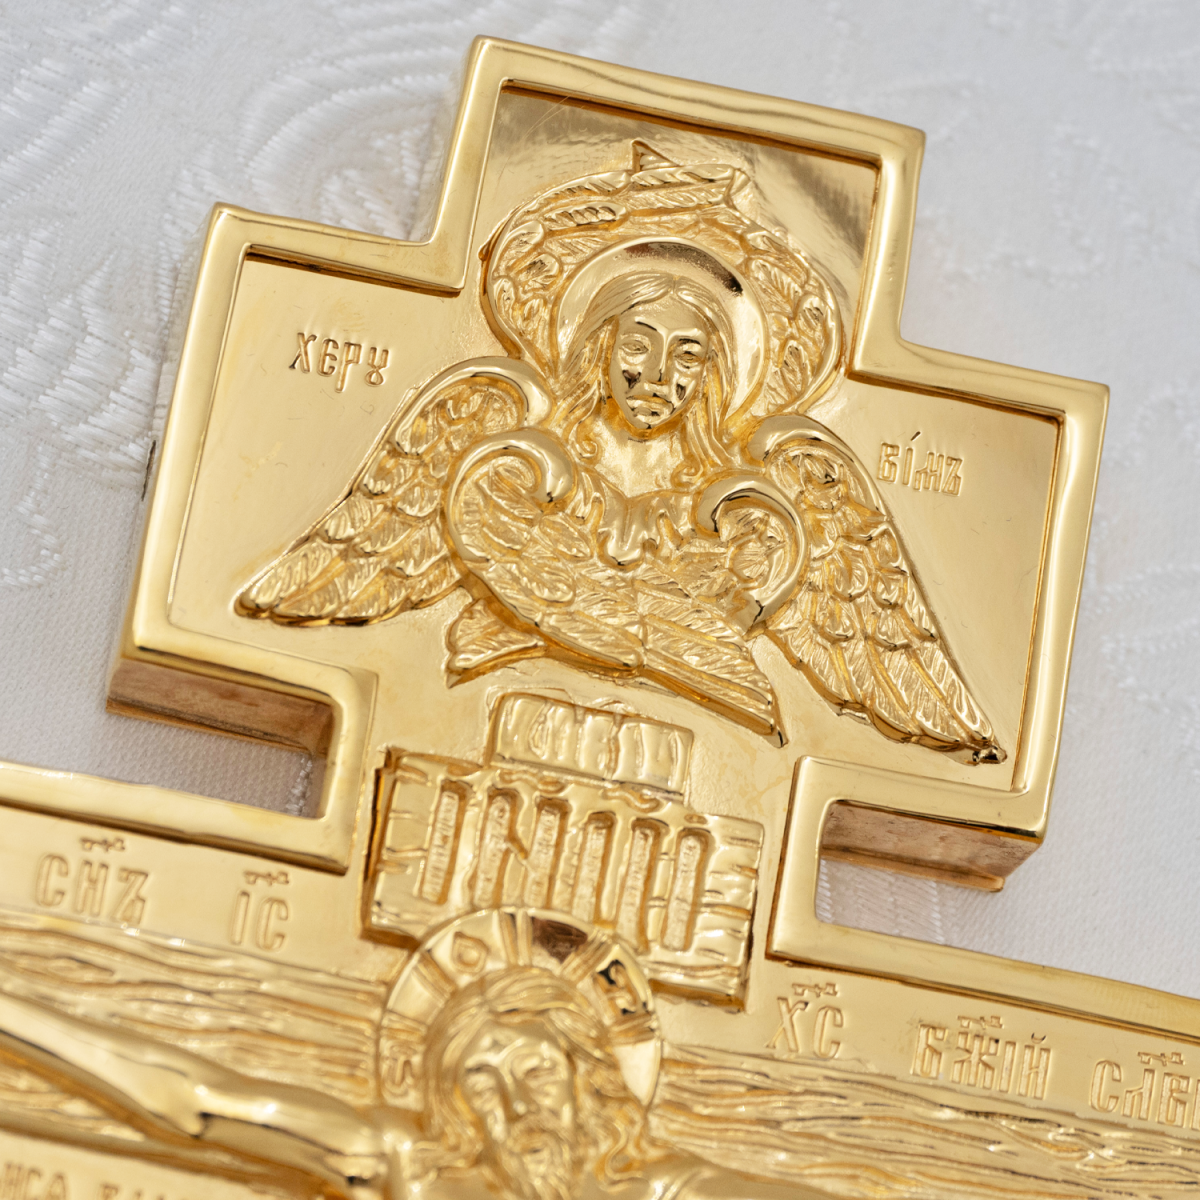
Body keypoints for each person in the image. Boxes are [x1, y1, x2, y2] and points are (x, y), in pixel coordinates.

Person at [0, 966, 827, 1200]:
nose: (517, 1107)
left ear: (589, 1074)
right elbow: (199, 1102)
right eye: (482, 1084)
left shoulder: (670, 1192)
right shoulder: (412, 1167)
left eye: (536, 1071)